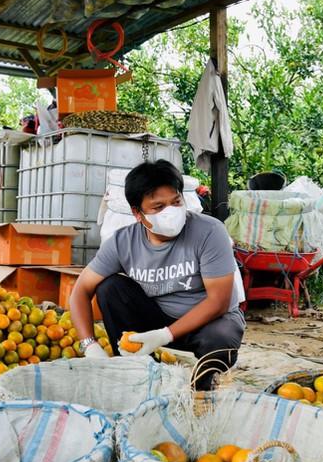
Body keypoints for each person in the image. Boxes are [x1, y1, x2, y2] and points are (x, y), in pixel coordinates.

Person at [70, 160, 245, 390]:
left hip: (208, 321)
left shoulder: (209, 231)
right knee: (110, 288)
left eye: (176, 202)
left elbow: (219, 301)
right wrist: (89, 345)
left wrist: (164, 336)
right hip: (157, 317)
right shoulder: (123, 242)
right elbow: (80, 291)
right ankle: (137, 375)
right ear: (137, 213)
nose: (170, 212)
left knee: (221, 339)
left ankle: (202, 387)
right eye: (158, 207)